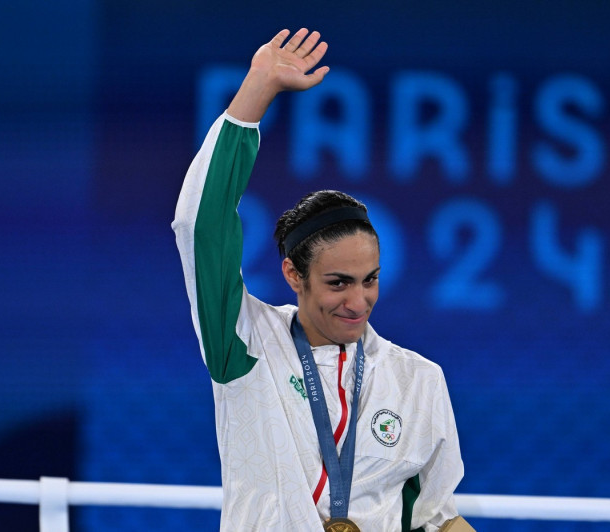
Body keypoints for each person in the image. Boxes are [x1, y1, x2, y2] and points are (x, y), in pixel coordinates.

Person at [173, 28, 472, 531]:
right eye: (338, 283)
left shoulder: (419, 380)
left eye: (370, 279)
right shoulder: (244, 344)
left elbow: (435, 518)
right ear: (294, 274)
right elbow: (200, 225)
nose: (359, 301)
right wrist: (256, 93)